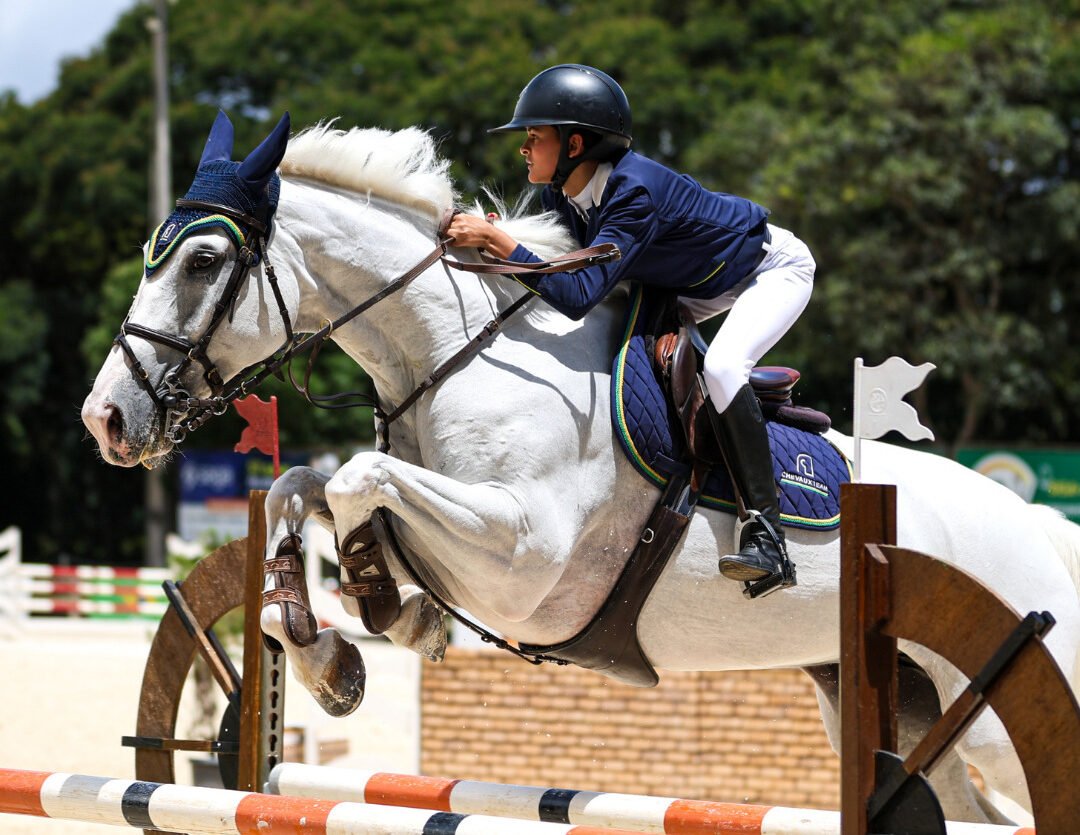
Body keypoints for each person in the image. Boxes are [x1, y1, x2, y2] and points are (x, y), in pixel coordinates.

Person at [446, 64, 815, 593]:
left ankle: (765, 535)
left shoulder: (633, 191)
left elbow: (575, 295)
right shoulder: (562, 194)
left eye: (533, 137)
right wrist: (497, 235)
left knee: (725, 366)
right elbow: (562, 265)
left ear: (575, 143)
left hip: (767, 269)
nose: (523, 149)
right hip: (680, 281)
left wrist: (497, 241)